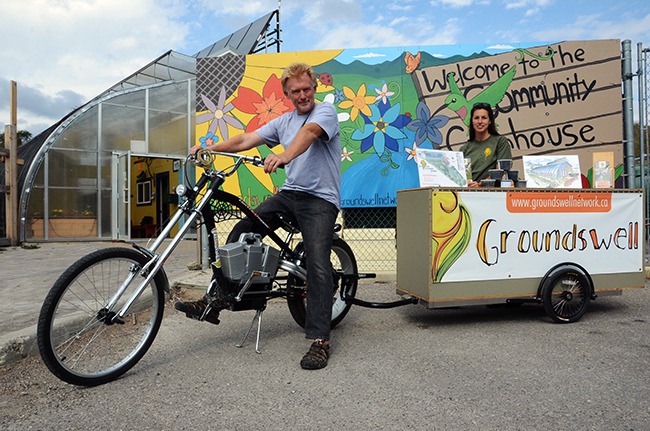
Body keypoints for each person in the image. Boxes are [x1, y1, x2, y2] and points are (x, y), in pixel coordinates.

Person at [175, 62, 341, 370]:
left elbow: (310, 134)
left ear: (314, 88)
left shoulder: (325, 113)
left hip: (321, 198)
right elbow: (242, 141)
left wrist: (284, 154)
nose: (302, 95)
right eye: (295, 91)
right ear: (286, 93)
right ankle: (216, 302)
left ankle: (320, 341)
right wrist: (209, 149)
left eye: (307, 89)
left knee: (318, 261)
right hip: (291, 194)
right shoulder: (282, 122)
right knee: (242, 230)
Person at [460, 102, 513, 187]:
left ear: (490, 121)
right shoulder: (464, 148)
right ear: (472, 121)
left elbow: (501, 171)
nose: (480, 121)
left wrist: (481, 184)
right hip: (466, 194)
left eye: (484, 118)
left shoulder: (500, 142)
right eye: (476, 118)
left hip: (492, 194)